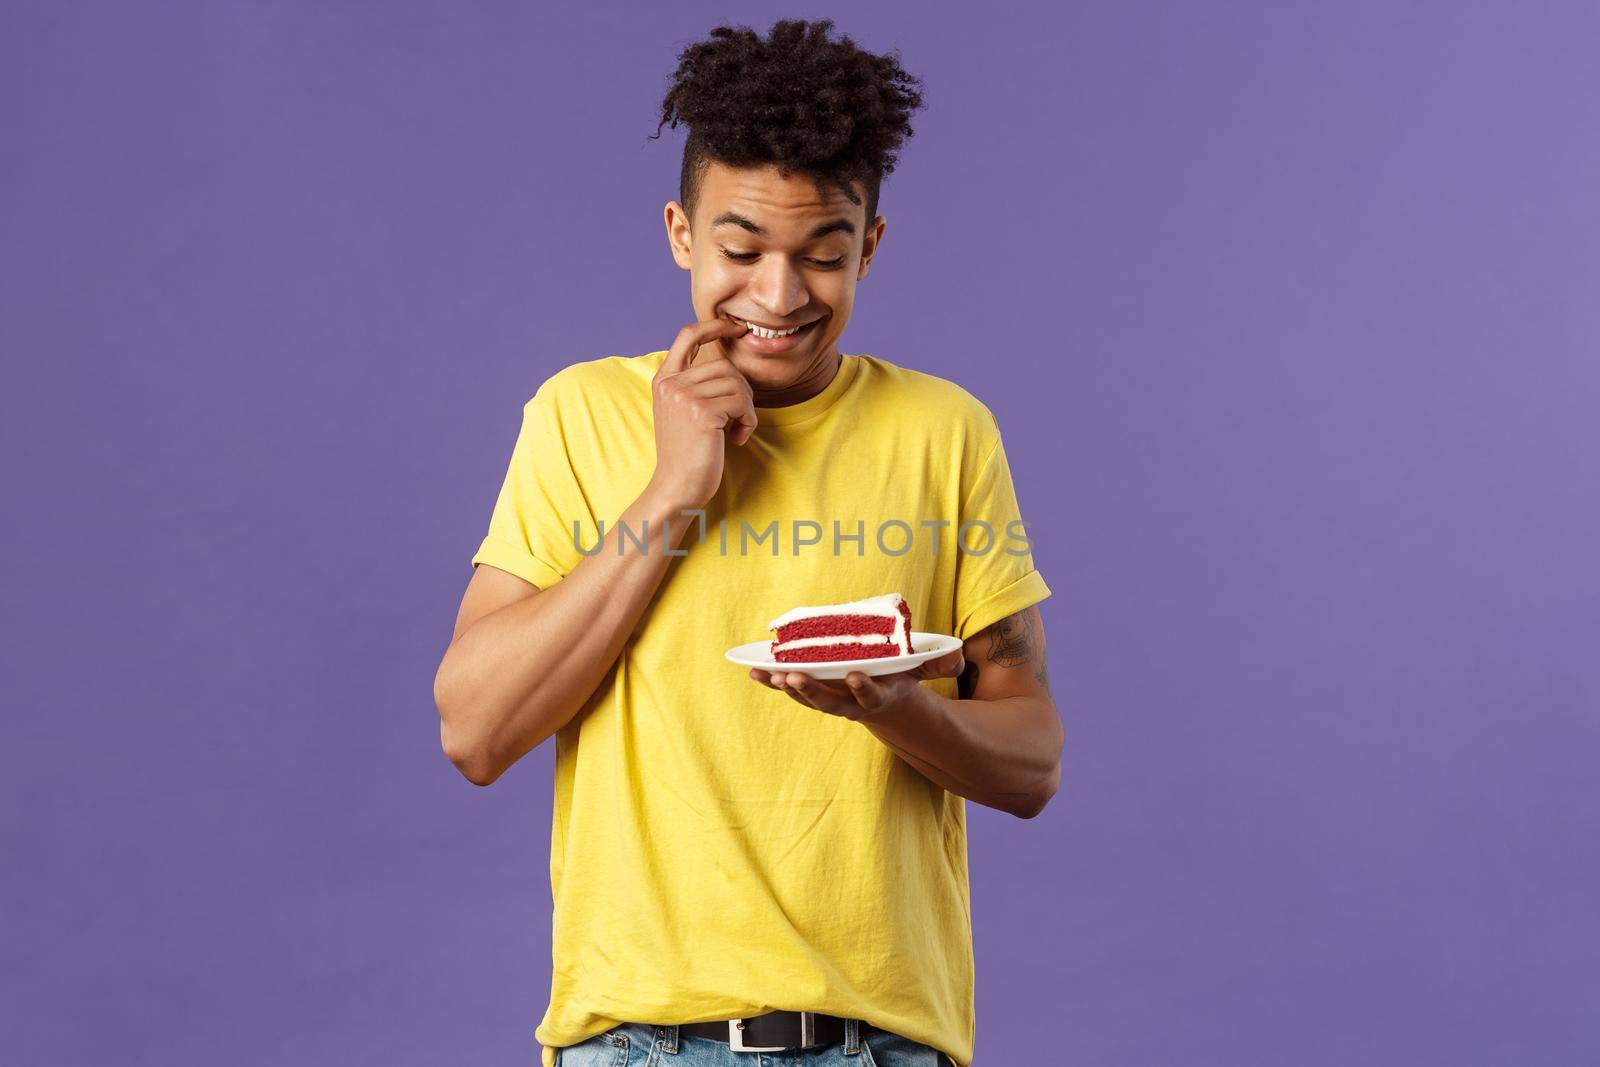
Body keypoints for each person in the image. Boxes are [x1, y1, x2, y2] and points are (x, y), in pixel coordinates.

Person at [434, 18, 1061, 1067]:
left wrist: (895, 707)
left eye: (821, 255)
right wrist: (676, 484)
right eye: (739, 251)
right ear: (681, 232)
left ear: (868, 244)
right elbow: (477, 730)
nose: (777, 296)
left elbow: (1031, 761)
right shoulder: (582, 414)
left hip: (886, 1045)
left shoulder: (946, 431)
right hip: (637, 1043)